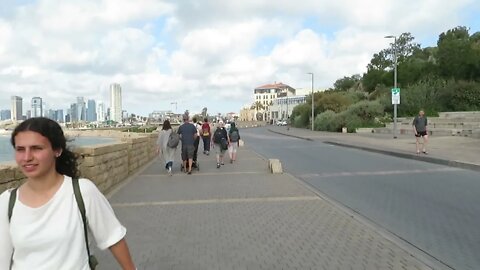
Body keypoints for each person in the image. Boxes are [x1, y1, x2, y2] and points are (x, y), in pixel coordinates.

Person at [0, 117, 136, 270]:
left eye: (37, 148)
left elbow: (113, 238)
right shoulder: (7, 202)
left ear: (57, 150)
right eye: (20, 149)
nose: (27, 157)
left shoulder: (82, 192)